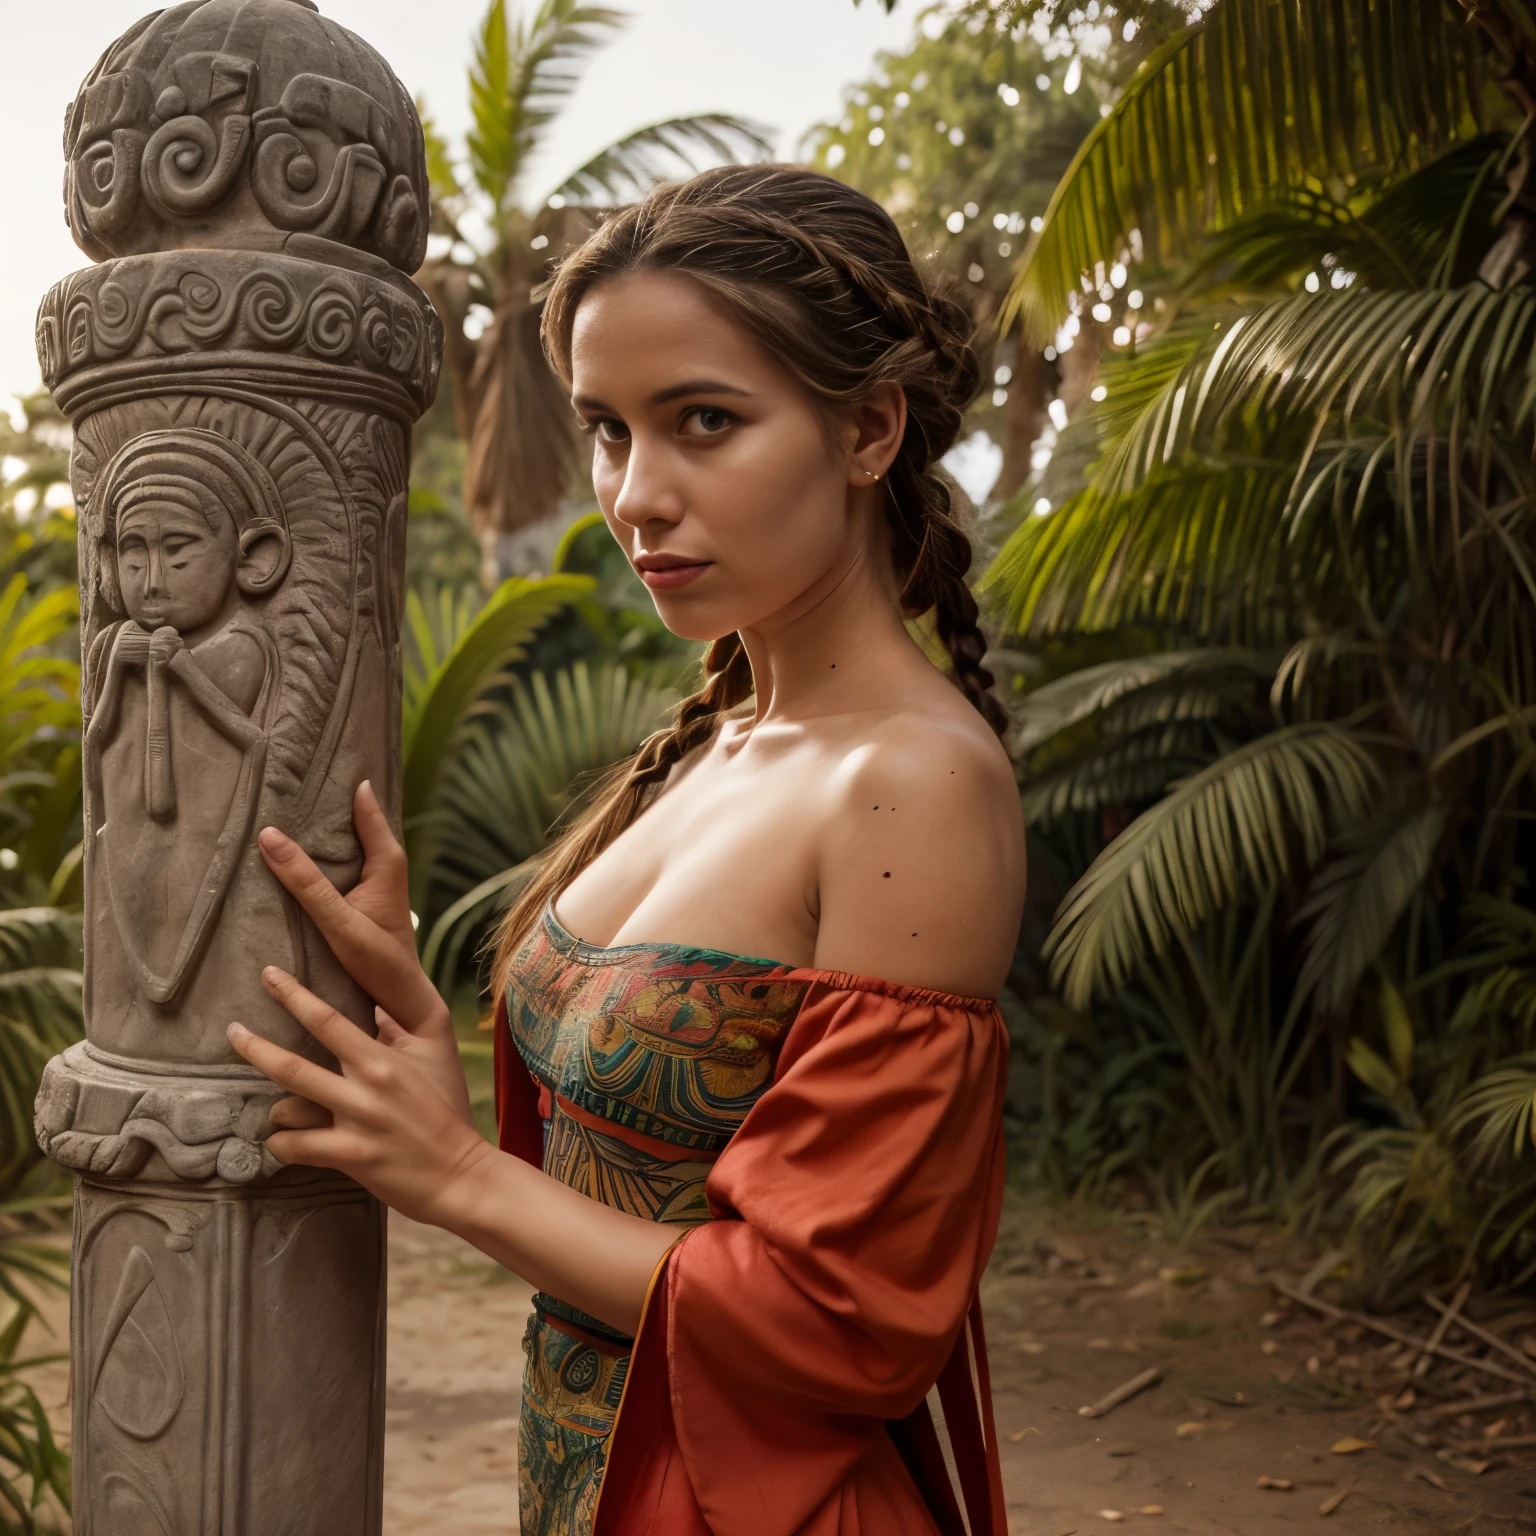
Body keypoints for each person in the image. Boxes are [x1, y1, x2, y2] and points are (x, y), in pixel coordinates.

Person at [228, 165, 1027, 1536]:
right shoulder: (726, 737)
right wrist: (429, 1047)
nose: (636, 495)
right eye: (608, 431)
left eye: (704, 422)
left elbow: (843, 1325)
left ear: (870, 428)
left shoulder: (912, 786)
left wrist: (460, 1177)